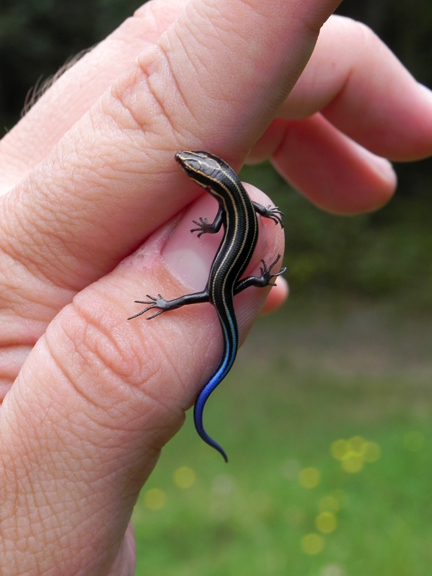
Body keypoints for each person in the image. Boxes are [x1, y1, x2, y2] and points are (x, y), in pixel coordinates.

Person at [1, 0, 432, 573]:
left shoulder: (228, 205)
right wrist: (248, 263)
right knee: (213, 295)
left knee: (201, 298)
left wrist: (237, 267)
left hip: (221, 286)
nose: (190, 170)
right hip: (229, 280)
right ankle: (221, 299)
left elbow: (224, 227)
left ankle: (186, 307)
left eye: (195, 170)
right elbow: (227, 219)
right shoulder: (229, 199)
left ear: (212, 176)